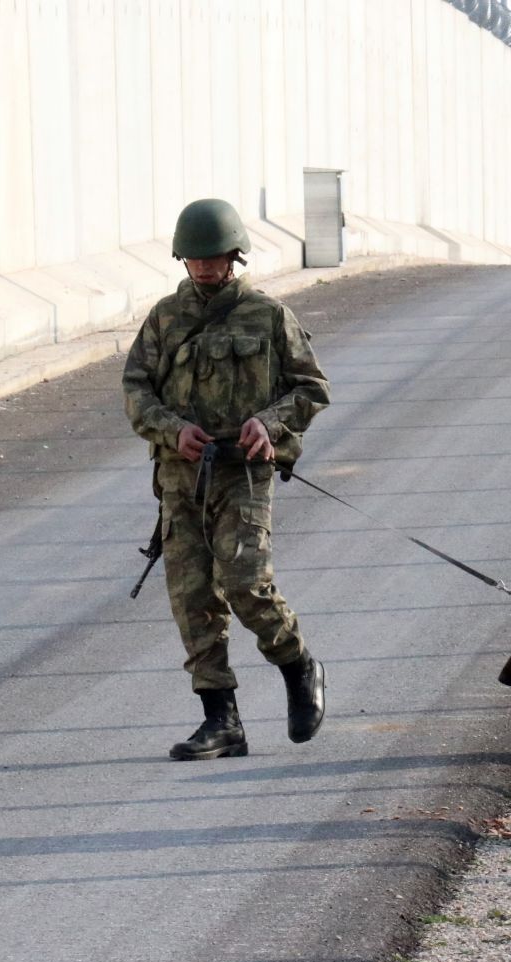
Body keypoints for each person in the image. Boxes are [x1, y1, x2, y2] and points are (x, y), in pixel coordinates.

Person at [122, 198, 332, 760]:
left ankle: (299, 666)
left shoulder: (267, 315)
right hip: (180, 477)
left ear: (235, 255)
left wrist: (269, 422)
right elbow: (136, 391)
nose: (206, 268)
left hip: (243, 474)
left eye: (215, 258)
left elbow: (311, 388)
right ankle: (221, 720)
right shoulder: (165, 318)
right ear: (181, 260)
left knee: (246, 585)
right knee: (193, 598)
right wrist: (171, 429)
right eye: (195, 259)